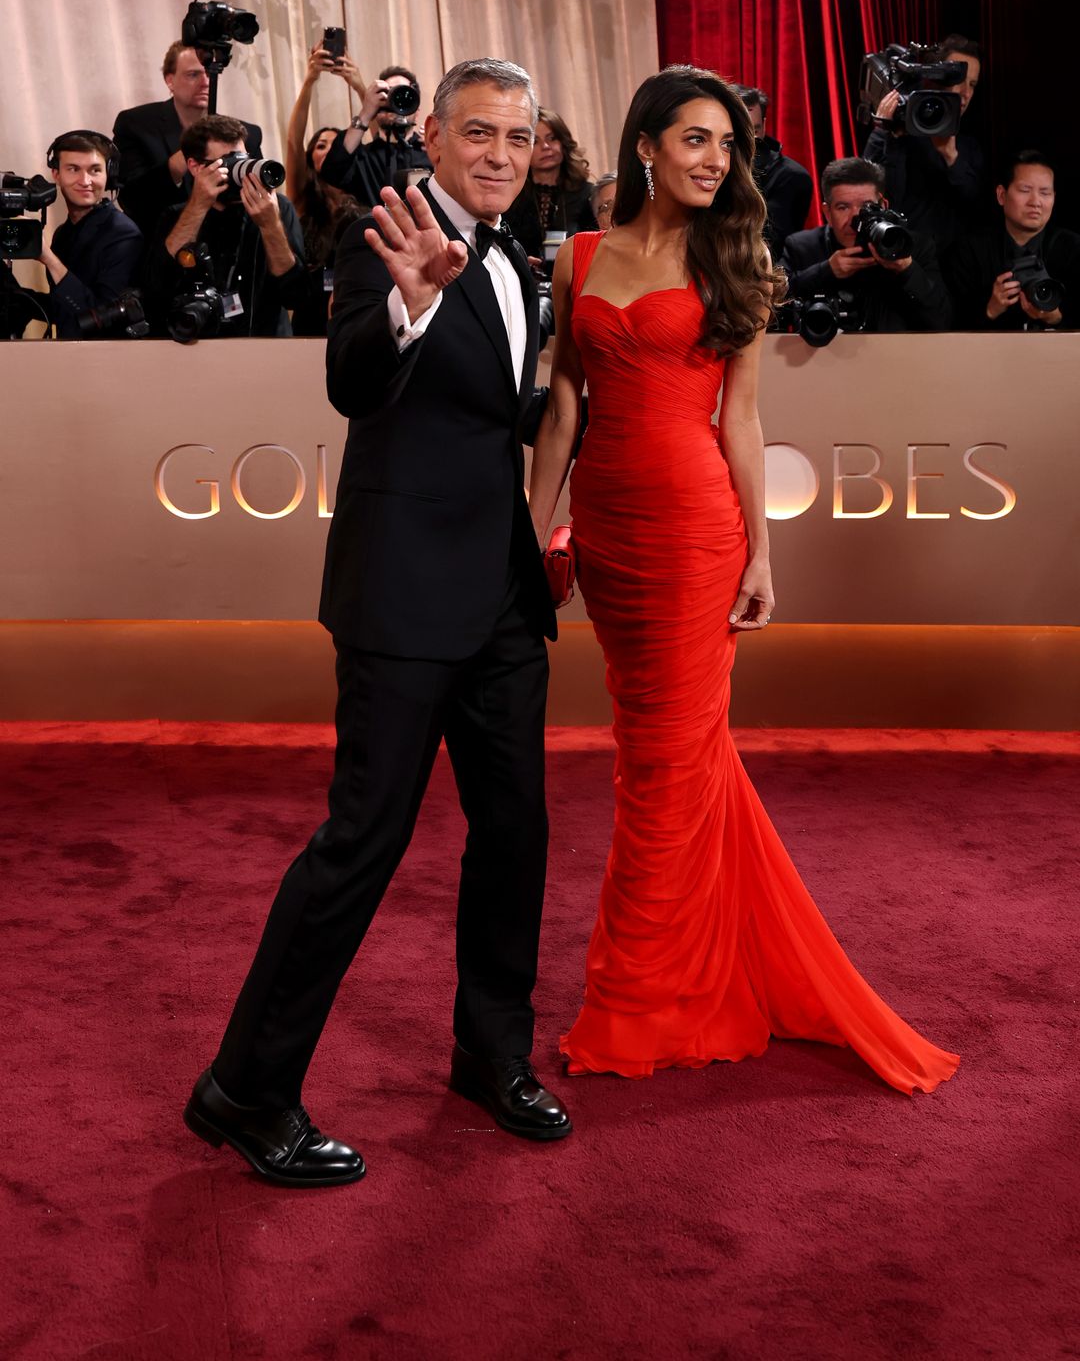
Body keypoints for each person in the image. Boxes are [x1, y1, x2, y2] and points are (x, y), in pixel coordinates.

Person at [527, 64, 959, 1094]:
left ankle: (638, 1003)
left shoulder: (739, 258)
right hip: (610, 533)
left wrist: (761, 549)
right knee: (665, 753)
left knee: (664, 769)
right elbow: (565, 405)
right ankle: (711, 966)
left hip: (694, 533)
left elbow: (744, 418)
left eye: (727, 144)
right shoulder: (578, 258)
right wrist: (530, 532)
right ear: (645, 146)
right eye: (696, 139)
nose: (717, 160)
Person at [184, 58, 570, 1187]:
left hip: (502, 595)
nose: (500, 154)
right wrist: (412, 305)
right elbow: (352, 383)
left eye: (518, 136)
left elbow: (495, 409)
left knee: (517, 835)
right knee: (363, 844)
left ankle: (491, 1054)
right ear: (434, 138)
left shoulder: (519, 256)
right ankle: (247, 1089)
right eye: (479, 132)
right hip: (402, 594)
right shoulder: (383, 236)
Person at [143, 115, 304, 339]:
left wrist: (270, 226)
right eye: (229, 163)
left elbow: (295, 295)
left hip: (264, 345)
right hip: (196, 346)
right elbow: (157, 290)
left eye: (243, 160)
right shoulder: (175, 216)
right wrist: (198, 206)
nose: (241, 172)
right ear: (195, 167)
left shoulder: (276, 208)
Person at [781, 157, 951, 332]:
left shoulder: (913, 246)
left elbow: (942, 321)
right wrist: (825, 271)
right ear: (827, 213)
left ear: (883, 206)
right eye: (843, 207)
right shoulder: (802, 247)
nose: (856, 219)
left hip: (896, 349)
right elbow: (773, 310)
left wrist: (906, 269)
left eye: (867, 207)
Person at [113, 41, 263, 237]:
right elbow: (131, 200)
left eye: (210, 74)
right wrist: (190, 151)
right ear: (170, 80)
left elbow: (256, 197)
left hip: (228, 237)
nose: (206, 82)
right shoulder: (136, 124)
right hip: (160, 240)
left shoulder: (245, 135)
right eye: (193, 74)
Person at [862, 33, 988, 260]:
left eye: (972, 84)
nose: (966, 93)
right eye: (957, 79)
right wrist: (892, 135)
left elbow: (977, 211)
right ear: (932, 77)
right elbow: (880, 203)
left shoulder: (969, 146)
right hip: (898, 260)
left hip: (950, 269)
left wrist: (951, 157)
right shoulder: (887, 136)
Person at [283, 44, 365, 337]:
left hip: (358, 311)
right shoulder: (303, 199)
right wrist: (310, 80)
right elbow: (294, 141)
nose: (329, 149)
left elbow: (376, 132)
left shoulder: (365, 190)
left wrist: (359, 85)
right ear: (311, 159)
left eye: (336, 144)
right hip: (310, 317)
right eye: (320, 145)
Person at [948, 150, 1080, 331]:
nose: (1036, 202)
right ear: (1001, 195)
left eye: (1045, 193)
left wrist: (1056, 317)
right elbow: (948, 322)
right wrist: (990, 310)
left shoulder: (1073, 248)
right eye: (1025, 190)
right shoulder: (970, 250)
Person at [38, 131, 143, 338]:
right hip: (68, 352)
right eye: (73, 169)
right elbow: (65, 308)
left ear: (108, 175)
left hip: (107, 354)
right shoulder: (63, 233)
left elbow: (97, 317)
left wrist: (49, 260)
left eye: (95, 170)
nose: (85, 181)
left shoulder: (123, 234)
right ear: (56, 174)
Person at [318, 64, 428, 209]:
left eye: (404, 94)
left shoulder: (430, 152)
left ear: (417, 109)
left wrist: (441, 153)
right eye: (389, 93)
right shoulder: (363, 158)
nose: (396, 101)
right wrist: (366, 113)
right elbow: (332, 173)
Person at [504, 106, 597, 272]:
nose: (546, 146)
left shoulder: (587, 194)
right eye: (535, 141)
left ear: (563, 143)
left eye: (552, 138)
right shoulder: (509, 196)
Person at [736, 84, 812, 262]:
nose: (749, 142)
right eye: (739, 132)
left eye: (755, 131)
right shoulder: (708, 169)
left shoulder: (790, 177)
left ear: (764, 125)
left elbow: (769, 247)